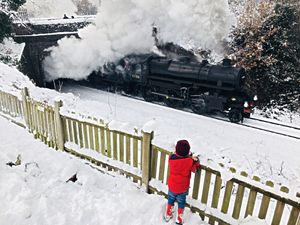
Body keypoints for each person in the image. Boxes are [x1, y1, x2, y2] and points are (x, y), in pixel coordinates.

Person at [164, 140, 200, 225]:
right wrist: (196, 161)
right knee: (181, 202)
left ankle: (168, 214)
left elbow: (175, 156)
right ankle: (179, 219)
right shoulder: (189, 161)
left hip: (172, 186)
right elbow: (194, 169)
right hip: (182, 188)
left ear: (176, 151)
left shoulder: (171, 159)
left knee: (171, 199)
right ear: (187, 152)